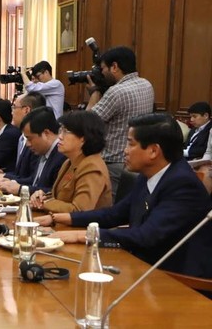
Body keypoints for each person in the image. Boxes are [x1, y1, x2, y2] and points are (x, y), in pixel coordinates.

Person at [39, 114, 212, 279]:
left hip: (178, 280)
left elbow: (146, 236)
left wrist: (82, 235)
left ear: (153, 151)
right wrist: (61, 218)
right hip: (144, 266)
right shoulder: (149, 174)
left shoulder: (182, 184)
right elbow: (114, 214)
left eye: (130, 144)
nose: (125, 151)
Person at [87, 46, 154, 198]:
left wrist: (95, 92)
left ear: (115, 67)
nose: (102, 73)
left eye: (103, 68)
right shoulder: (147, 85)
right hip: (137, 159)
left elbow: (87, 122)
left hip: (113, 163)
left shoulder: (116, 92)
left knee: (110, 209)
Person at [30, 110, 112, 212]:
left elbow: (80, 210)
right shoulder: (69, 162)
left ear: (83, 138)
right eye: (61, 130)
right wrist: (42, 197)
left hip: (83, 227)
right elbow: (61, 196)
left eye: (66, 132)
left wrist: (45, 204)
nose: (60, 136)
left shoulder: (92, 167)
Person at [0, 107, 66, 196]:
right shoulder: (43, 151)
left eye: (29, 138)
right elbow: (34, 181)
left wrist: (21, 189)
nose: (27, 144)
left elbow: (54, 192)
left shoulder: (62, 156)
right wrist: (10, 182)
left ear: (46, 133)